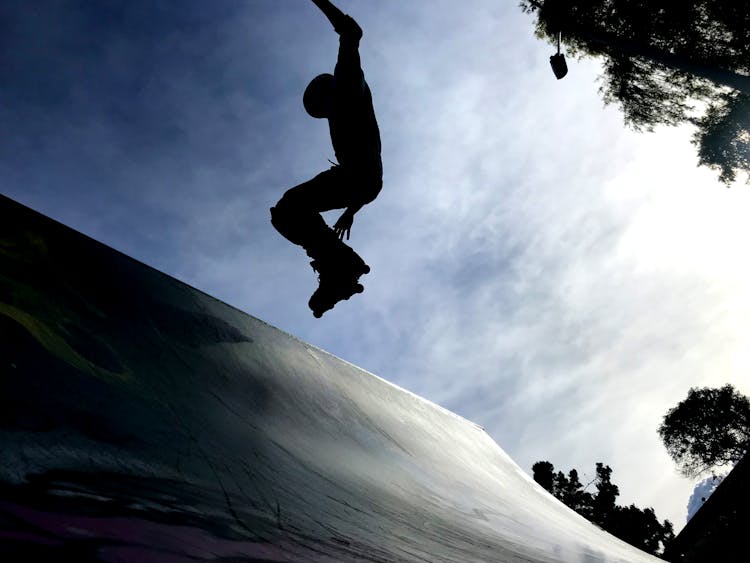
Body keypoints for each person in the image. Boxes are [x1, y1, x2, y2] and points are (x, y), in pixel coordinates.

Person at [270, 0, 382, 273]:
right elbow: (371, 187)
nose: (325, 115)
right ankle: (337, 263)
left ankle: (337, 263)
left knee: (287, 209)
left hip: (357, 176)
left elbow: (351, 33)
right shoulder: (339, 109)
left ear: (324, 94)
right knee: (290, 210)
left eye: (321, 110)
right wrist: (349, 212)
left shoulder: (346, 86)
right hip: (363, 180)